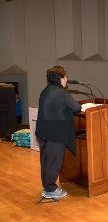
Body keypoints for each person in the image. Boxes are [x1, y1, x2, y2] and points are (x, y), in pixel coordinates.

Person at [36, 66, 81, 200]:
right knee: (54, 162)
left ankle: (47, 187)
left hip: (43, 131)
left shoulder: (46, 90)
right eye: (66, 76)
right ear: (61, 78)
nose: (67, 79)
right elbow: (76, 107)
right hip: (55, 133)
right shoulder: (61, 93)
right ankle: (50, 189)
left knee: (46, 161)